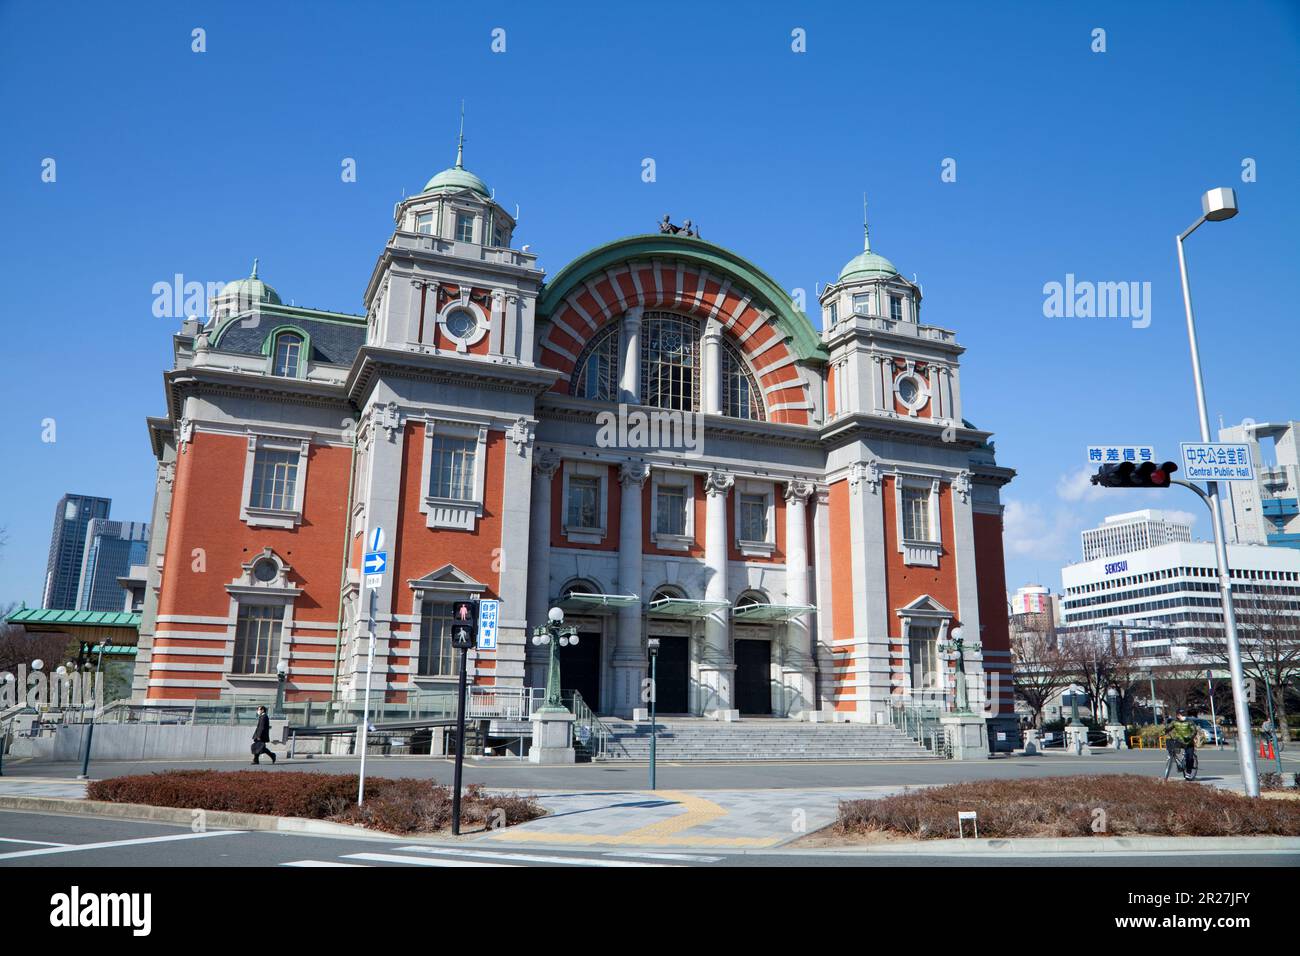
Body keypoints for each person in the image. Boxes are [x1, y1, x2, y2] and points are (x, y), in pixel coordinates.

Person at [1163, 709, 1197, 779]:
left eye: (1181, 714)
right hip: (1179, 740)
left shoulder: (1189, 722)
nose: (1180, 716)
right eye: (1180, 714)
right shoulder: (1175, 722)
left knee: (1189, 758)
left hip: (1188, 742)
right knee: (1170, 742)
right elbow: (1169, 728)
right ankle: (1170, 755)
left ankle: (1188, 773)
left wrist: (1190, 736)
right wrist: (1165, 731)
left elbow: (1194, 731)